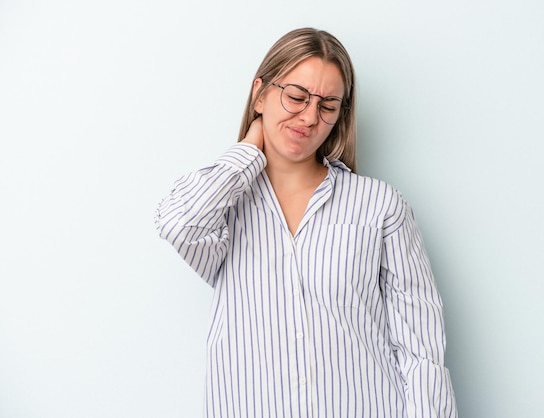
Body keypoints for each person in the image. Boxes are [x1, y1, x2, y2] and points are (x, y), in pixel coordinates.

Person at [156, 27, 457, 418]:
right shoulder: (223, 208)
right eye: (296, 97)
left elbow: (421, 350)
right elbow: (178, 223)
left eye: (328, 105)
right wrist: (249, 150)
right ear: (260, 93)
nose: (310, 117)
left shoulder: (379, 205)